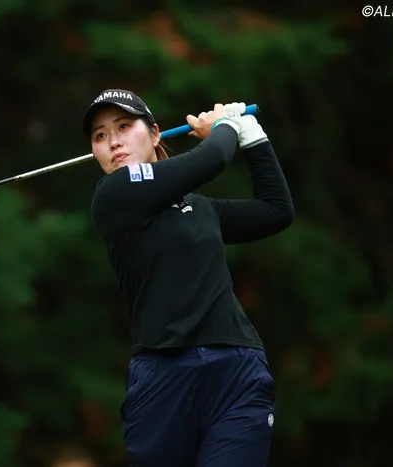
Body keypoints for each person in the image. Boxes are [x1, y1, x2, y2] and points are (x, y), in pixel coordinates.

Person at [82, 89, 295, 467]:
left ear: (155, 134)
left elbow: (276, 210)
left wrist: (253, 136)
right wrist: (225, 125)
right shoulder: (113, 195)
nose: (113, 141)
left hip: (236, 371)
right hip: (164, 378)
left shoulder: (200, 208)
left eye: (124, 126)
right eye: (101, 135)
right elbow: (211, 159)